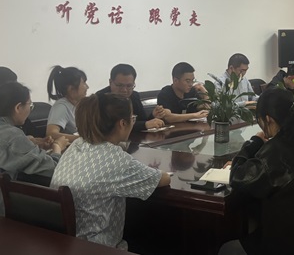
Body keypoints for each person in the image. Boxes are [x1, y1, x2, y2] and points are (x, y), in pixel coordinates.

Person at [220, 88, 294, 255]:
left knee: (227, 249)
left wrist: (255, 142)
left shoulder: (276, 150)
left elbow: (237, 177)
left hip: (288, 246)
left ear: (268, 119)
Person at [50, 93, 170, 249]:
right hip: (98, 248)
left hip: (63, 243)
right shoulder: (116, 159)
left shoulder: (77, 145)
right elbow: (163, 179)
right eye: (132, 118)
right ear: (122, 123)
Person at [0, 82, 69, 215]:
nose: (30, 109)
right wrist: (57, 148)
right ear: (18, 107)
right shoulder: (13, 137)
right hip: (7, 212)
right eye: (30, 105)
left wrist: (30, 142)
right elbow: (53, 170)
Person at [96, 64, 165, 131]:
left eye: (129, 86)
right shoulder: (100, 98)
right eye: (120, 85)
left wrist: (153, 115)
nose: (124, 90)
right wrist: (144, 125)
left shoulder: (134, 96)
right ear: (110, 82)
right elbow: (110, 126)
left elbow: (142, 120)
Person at [46, 65, 89, 142]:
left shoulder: (79, 104)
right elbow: (51, 134)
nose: (87, 87)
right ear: (71, 89)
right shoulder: (61, 107)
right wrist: (83, 139)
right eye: (84, 83)